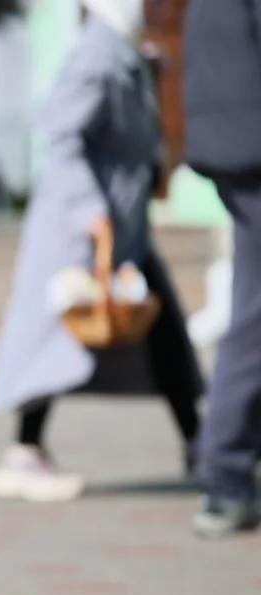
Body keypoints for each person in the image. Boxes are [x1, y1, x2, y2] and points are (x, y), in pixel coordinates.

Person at [0, 0, 204, 502]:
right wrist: (89, 208)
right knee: (54, 337)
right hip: (83, 232)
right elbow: (60, 134)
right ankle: (22, 452)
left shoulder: (122, 53)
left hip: (118, 231)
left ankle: (199, 442)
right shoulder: (96, 57)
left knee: (163, 330)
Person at [182, 0, 261, 536]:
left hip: (232, 142)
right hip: (251, 142)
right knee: (256, 315)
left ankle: (228, 471)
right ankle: (228, 474)